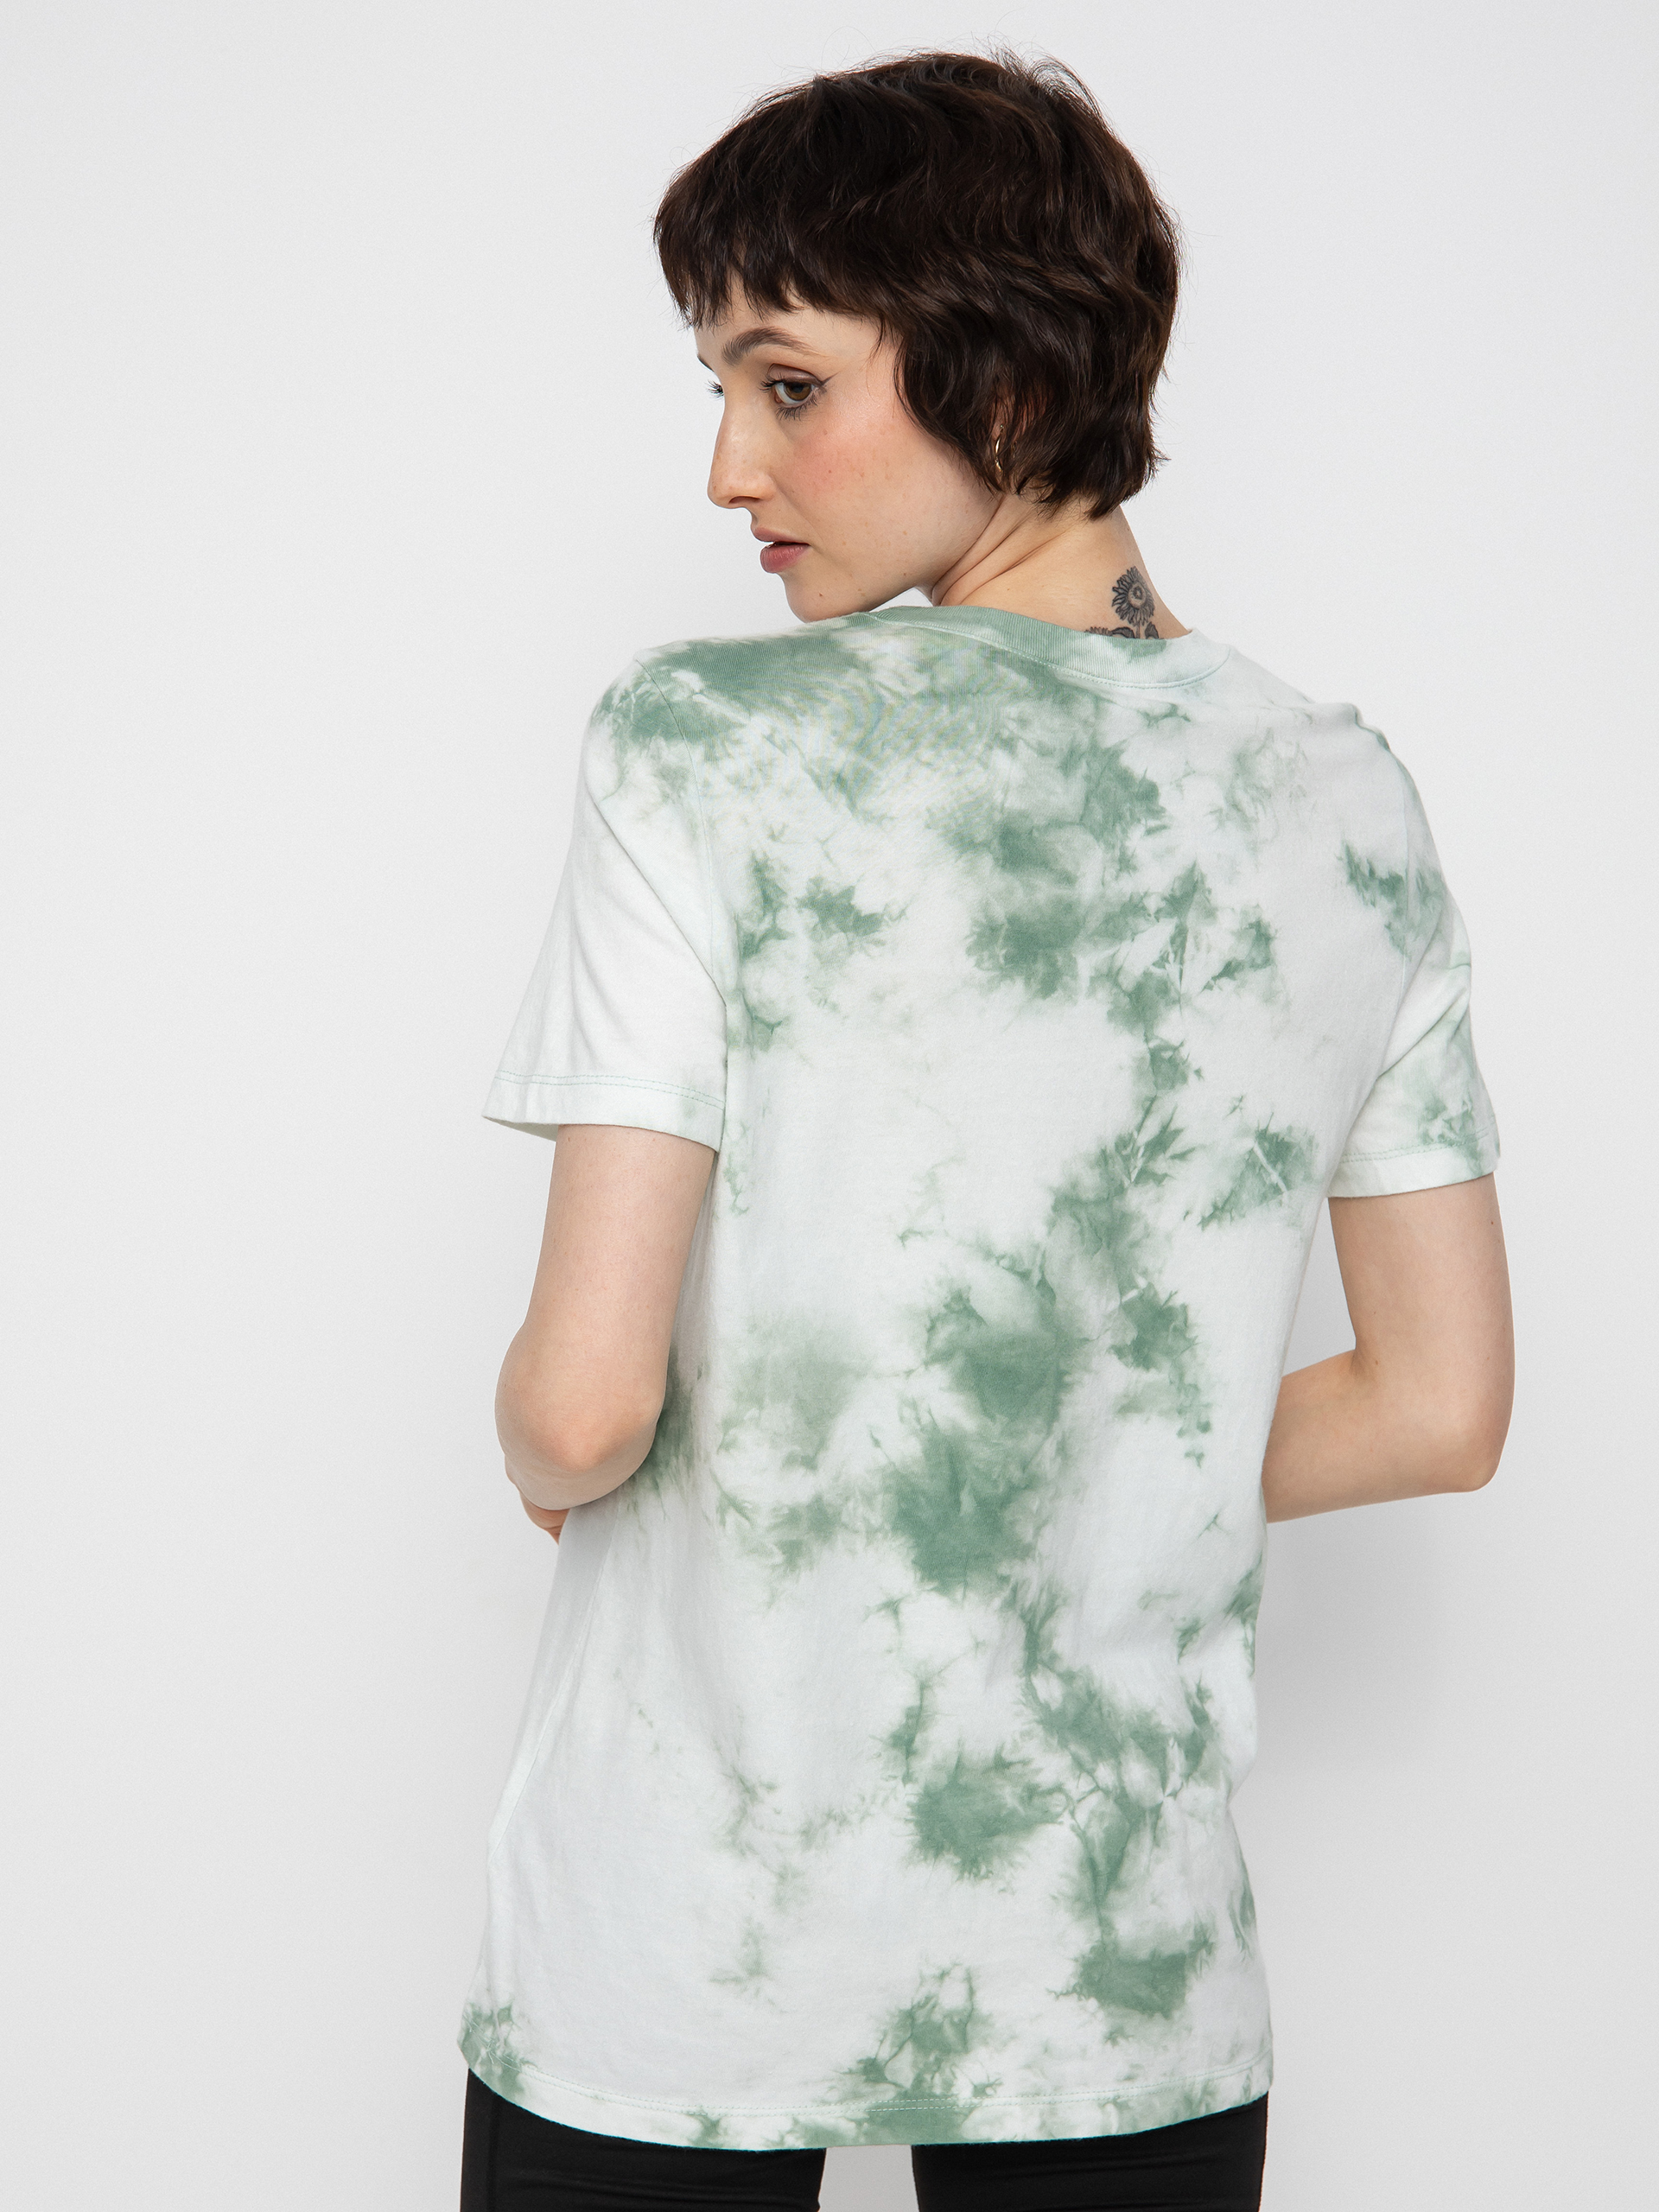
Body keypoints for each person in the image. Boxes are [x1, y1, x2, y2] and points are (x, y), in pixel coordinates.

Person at [456, 48, 1513, 2212]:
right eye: (719, 387)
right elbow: (1440, 1402)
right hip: (1111, 1968)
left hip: (687, 1950)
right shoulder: (1347, 796)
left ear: (1007, 381)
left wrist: (564, 1455)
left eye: (785, 383)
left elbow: (582, 1404)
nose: (728, 465)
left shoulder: (704, 741)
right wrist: (1071, 1452)